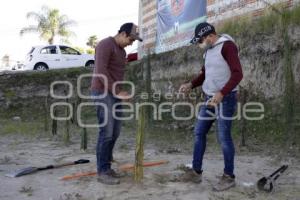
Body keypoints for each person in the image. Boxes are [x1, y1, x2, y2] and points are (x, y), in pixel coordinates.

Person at [179, 22, 243, 191]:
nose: (199, 44)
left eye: (200, 41)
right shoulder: (208, 52)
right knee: (199, 132)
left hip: (225, 98)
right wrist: (190, 85)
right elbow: (204, 74)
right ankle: (196, 171)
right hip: (209, 98)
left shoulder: (227, 46)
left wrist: (222, 93)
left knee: (223, 137)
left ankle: (229, 177)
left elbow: (238, 73)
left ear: (210, 36)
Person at [91, 23, 142, 185]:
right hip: (102, 92)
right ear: (123, 34)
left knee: (115, 132)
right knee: (106, 132)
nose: (132, 43)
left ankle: (107, 165)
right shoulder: (105, 45)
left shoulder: (122, 51)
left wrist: (121, 92)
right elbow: (101, 71)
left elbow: (116, 72)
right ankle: (102, 171)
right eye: (131, 39)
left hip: (114, 93)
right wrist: (117, 91)